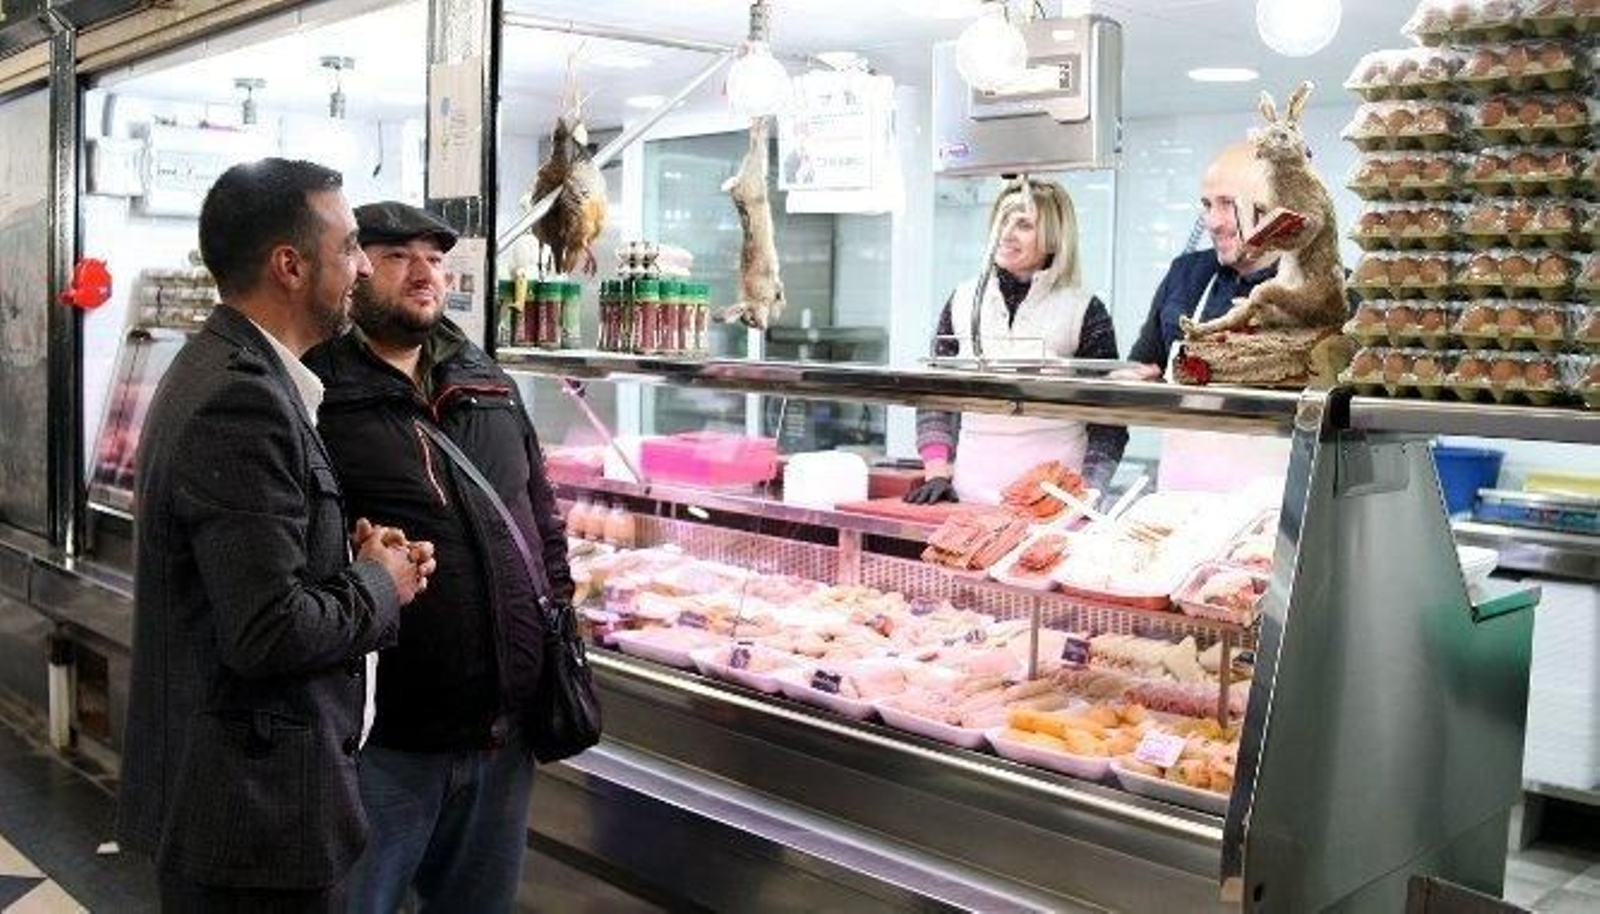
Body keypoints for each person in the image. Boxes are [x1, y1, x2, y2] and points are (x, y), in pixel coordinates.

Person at [118, 158, 436, 911]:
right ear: (290, 266)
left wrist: (348, 558)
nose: (364, 267)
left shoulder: (233, 370)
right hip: (256, 821)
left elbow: (256, 575)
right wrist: (381, 582)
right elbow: (268, 631)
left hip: (244, 811)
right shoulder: (241, 399)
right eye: (350, 246)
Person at [303, 201, 575, 913]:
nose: (424, 273)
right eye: (398, 257)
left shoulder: (488, 381)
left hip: (500, 734)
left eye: (434, 258)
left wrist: (555, 615)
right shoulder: (316, 390)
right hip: (381, 741)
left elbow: (541, 515)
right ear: (355, 270)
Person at [905, 179, 1127, 504]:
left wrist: (1089, 490)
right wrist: (937, 471)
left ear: (1054, 237)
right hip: (971, 493)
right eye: (1001, 221)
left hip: (1055, 500)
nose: (1006, 233)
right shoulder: (963, 299)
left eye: (1023, 224)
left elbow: (1109, 416)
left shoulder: (1084, 309)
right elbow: (935, 392)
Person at [1120, 142, 1280, 380]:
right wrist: (1132, 382)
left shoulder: (1316, 288)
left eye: (1228, 204)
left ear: (1271, 206)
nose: (1212, 223)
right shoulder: (1185, 272)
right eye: (1207, 205)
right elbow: (1145, 365)